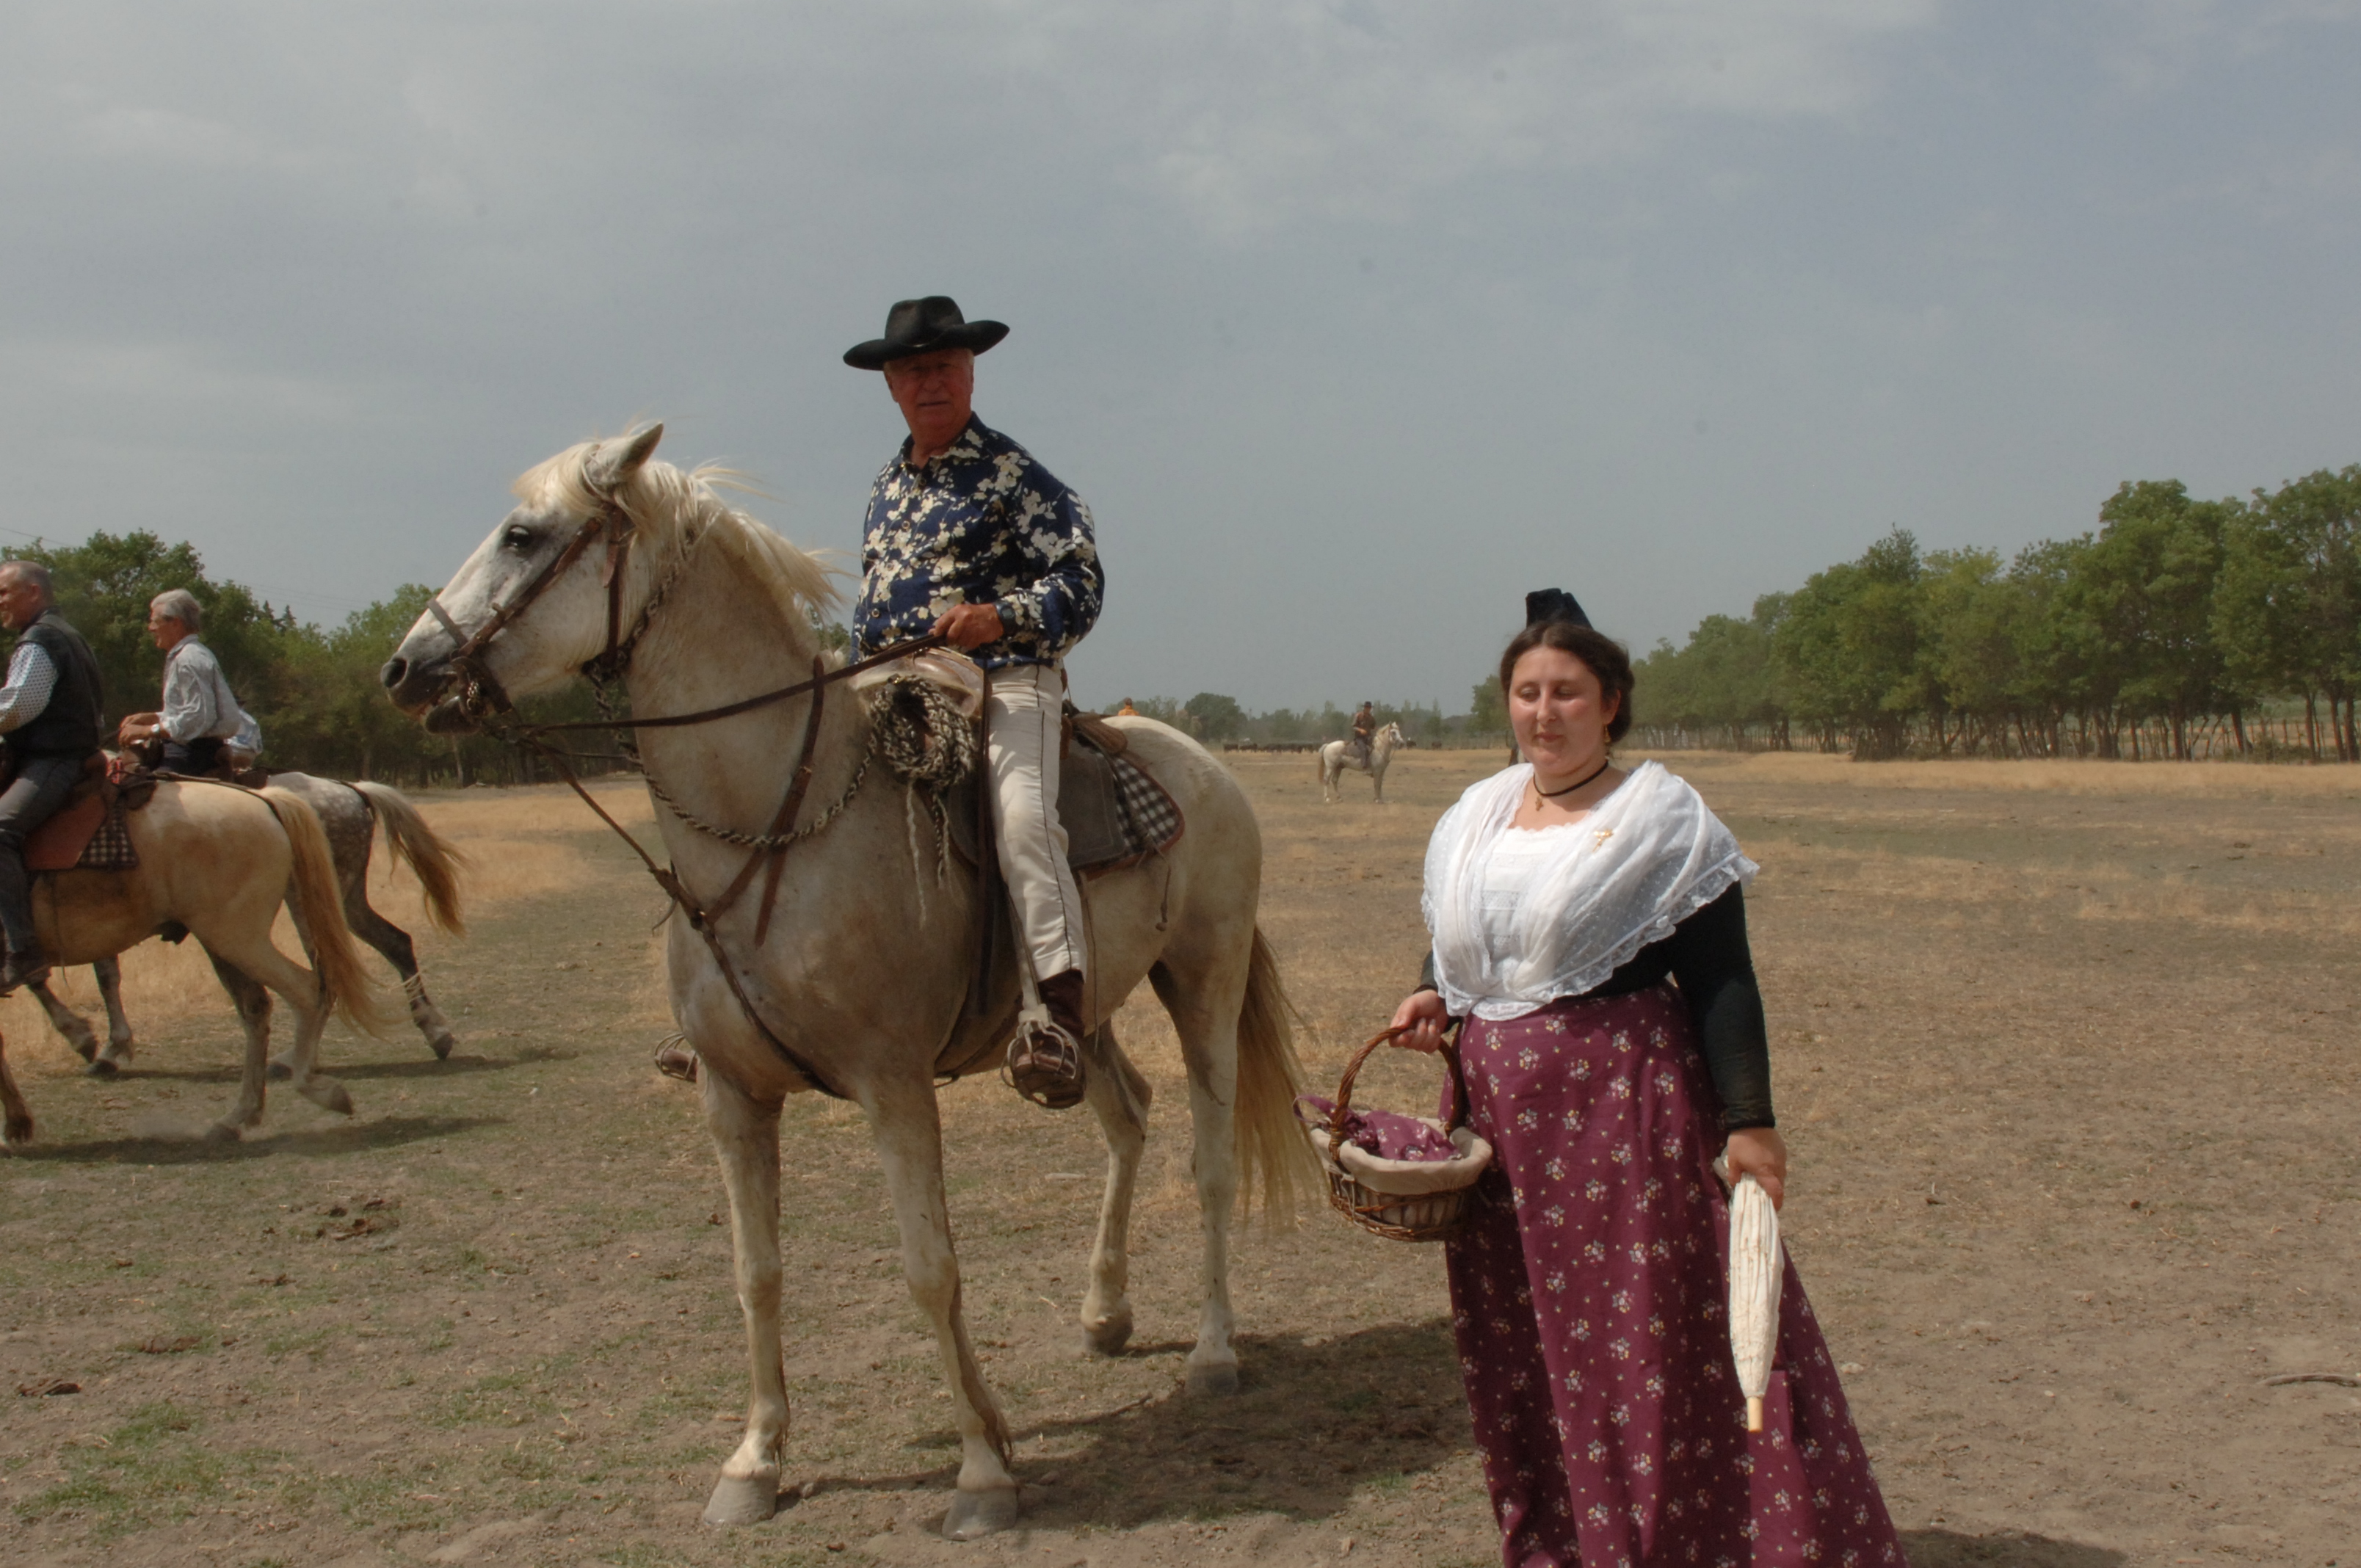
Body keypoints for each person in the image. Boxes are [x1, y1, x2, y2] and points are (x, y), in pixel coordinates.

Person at [1388, 595, 1901, 1567]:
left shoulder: (1660, 818)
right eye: (1528, 693)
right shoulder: (1478, 813)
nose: (1545, 712)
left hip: (1621, 1118)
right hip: (1499, 1132)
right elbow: (1473, 940)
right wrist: (1433, 995)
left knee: (1647, 1337)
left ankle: (1704, 1541)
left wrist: (1750, 1120)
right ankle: (1574, 1539)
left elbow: (1722, 977)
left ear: (1611, 703)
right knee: (1527, 1339)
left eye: (1568, 693)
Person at [845, 296, 1105, 1110]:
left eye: (945, 366)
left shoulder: (1016, 475)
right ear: (891, 385)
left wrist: (1002, 615)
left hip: (1002, 676)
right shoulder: (885, 487)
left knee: (1022, 820)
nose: (931, 381)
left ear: (969, 373)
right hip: (891, 682)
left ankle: (1059, 1013)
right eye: (914, 369)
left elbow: (1082, 582)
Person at [0, 561, 106, 991]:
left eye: (4, 593)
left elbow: (17, 707)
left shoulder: (40, 639)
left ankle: (24, 952)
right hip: (67, 756)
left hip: (54, 761)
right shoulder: (66, 633)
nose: (0, 603)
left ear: (33, 592)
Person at [117, 589, 261, 776]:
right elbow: (195, 713)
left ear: (175, 623)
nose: (150, 628)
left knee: (135, 786)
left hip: (191, 754)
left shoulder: (188, 659)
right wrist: (154, 717)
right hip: (196, 750)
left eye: (155, 621)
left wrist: (147, 731)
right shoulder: (193, 654)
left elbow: (198, 718)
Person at [1347, 700, 1377, 765]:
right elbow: (1353, 727)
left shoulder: (1371, 718)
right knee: (1364, 749)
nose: (1368, 709)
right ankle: (1364, 765)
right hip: (1359, 738)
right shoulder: (1358, 716)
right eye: (1367, 708)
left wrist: (1376, 729)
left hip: (1368, 737)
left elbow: (1373, 727)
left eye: (1369, 708)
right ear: (1364, 708)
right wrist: (1360, 730)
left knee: (1375, 749)